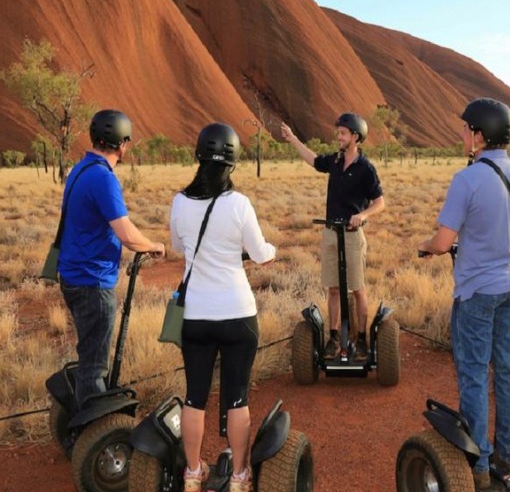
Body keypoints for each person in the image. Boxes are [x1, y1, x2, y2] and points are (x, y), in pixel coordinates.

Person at [418, 98, 510, 490]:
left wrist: (429, 246)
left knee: (474, 374)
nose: (461, 133)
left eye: (466, 128)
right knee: (509, 370)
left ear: (480, 137)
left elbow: (445, 238)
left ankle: (479, 466)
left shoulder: (466, 179)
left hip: (477, 292)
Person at [171, 123, 276, 492]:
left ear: (198, 156)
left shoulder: (180, 202)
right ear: (232, 161)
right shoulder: (239, 204)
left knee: (195, 396)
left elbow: (180, 247)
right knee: (237, 397)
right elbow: (261, 254)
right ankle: (238, 477)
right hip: (236, 315)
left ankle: (193, 472)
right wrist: (270, 250)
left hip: (196, 317)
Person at [58, 109, 165, 412]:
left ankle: (83, 415)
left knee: (89, 354)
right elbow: (127, 234)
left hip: (73, 276)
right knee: (94, 367)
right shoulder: (103, 178)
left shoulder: (80, 169)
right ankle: (94, 439)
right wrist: (153, 246)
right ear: (122, 144)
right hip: (92, 282)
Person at [281, 113, 385, 361]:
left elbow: (380, 202)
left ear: (355, 137)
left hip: (352, 235)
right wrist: (293, 139)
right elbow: (314, 160)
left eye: (343, 133)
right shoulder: (336, 161)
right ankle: (335, 338)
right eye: (338, 132)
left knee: (358, 289)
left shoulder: (365, 168)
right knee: (334, 289)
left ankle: (360, 340)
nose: (338, 136)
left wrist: (363, 215)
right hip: (330, 233)